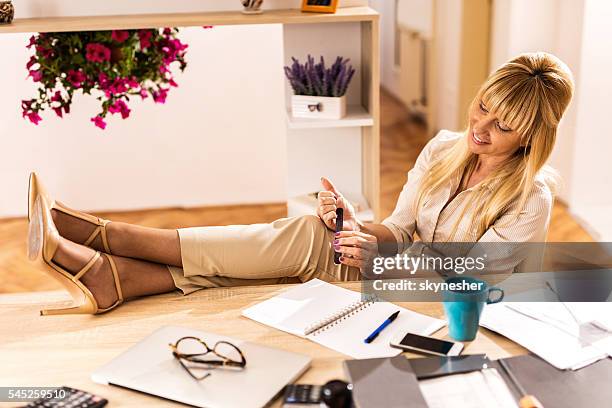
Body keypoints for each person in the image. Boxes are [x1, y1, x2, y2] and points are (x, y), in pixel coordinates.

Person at [27, 52, 574, 315]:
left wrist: (377, 257)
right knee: (303, 243)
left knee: (300, 247)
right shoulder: (444, 147)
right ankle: (113, 277)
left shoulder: (530, 199)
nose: (481, 128)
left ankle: (107, 238)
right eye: (483, 107)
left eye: (503, 126)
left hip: (454, 304)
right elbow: (401, 228)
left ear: (531, 137)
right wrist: (359, 231)